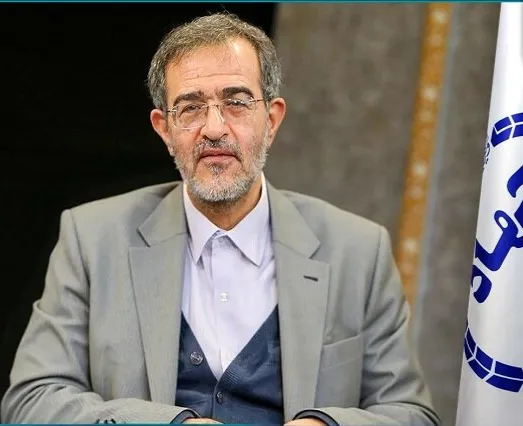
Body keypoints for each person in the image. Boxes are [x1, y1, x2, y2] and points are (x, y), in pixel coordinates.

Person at [1, 13, 440, 426]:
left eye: (236, 102)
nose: (214, 128)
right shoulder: (93, 239)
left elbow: (411, 414)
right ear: (163, 129)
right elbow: (31, 400)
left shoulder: (358, 251)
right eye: (190, 108)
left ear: (272, 119)